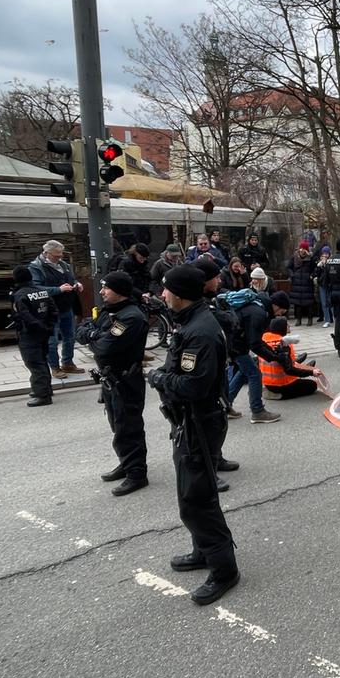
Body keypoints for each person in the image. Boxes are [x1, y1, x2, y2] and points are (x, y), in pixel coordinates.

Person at [146, 261, 240, 605]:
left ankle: (223, 569)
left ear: (181, 295)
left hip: (200, 421)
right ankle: (202, 550)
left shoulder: (199, 331)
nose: (162, 294)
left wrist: (157, 378)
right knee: (192, 493)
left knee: (197, 500)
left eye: (167, 289)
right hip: (190, 421)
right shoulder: (190, 322)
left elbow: (193, 386)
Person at [76, 270, 150, 496]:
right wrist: (95, 334)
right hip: (110, 379)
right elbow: (81, 331)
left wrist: (95, 336)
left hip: (126, 380)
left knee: (128, 427)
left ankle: (137, 474)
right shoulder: (110, 312)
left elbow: (105, 347)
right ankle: (126, 463)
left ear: (118, 291)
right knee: (116, 424)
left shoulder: (131, 317)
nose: (101, 291)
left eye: (105, 288)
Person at [226, 288, 287, 424]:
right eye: (281, 311)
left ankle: (225, 405)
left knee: (244, 372)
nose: (279, 315)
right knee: (254, 374)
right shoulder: (259, 313)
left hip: (234, 343)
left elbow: (257, 340)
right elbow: (255, 344)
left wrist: (272, 352)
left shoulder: (258, 306)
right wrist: (273, 357)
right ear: (276, 305)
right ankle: (257, 411)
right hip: (236, 345)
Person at [28, 241, 84, 380]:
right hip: (48, 310)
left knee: (70, 337)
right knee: (51, 341)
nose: (60, 258)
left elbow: (71, 279)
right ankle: (54, 367)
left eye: (61, 255)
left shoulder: (64, 265)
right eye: (56, 256)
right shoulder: (36, 267)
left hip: (66, 306)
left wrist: (76, 284)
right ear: (46, 253)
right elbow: (35, 288)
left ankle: (68, 363)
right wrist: (58, 289)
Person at [9, 265, 57, 408]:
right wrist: (48, 328)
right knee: (42, 360)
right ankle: (45, 389)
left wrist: (38, 327)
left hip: (29, 334)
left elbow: (25, 316)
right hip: (44, 333)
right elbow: (54, 311)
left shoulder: (20, 295)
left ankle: (43, 395)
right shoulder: (42, 291)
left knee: (34, 363)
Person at [259, 317, 321, 399]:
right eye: (287, 325)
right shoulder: (283, 345)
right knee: (313, 385)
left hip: (267, 382)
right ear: (281, 328)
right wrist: (311, 372)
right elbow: (289, 370)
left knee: (294, 367)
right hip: (281, 384)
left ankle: (302, 367)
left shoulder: (263, 340)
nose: (289, 326)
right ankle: (279, 395)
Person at [287, 247, 317, 326]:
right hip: (297, 282)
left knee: (309, 302)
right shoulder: (294, 257)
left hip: (307, 282)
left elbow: (315, 268)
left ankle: (310, 319)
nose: (302, 250)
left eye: (304, 248)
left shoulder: (310, 258)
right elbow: (289, 267)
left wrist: (312, 275)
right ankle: (298, 319)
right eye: (301, 248)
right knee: (297, 303)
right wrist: (292, 275)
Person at [316, 244, 334, 325]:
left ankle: (336, 318)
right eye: (323, 254)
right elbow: (317, 274)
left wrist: (326, 265)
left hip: (330, 284)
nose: (325, 256)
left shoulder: (332, 262)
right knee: (324, 303)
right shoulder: (319, 263)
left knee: (331, 302)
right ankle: (327, 320)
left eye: (326, 254)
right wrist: (319, 267)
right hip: (322, 284)